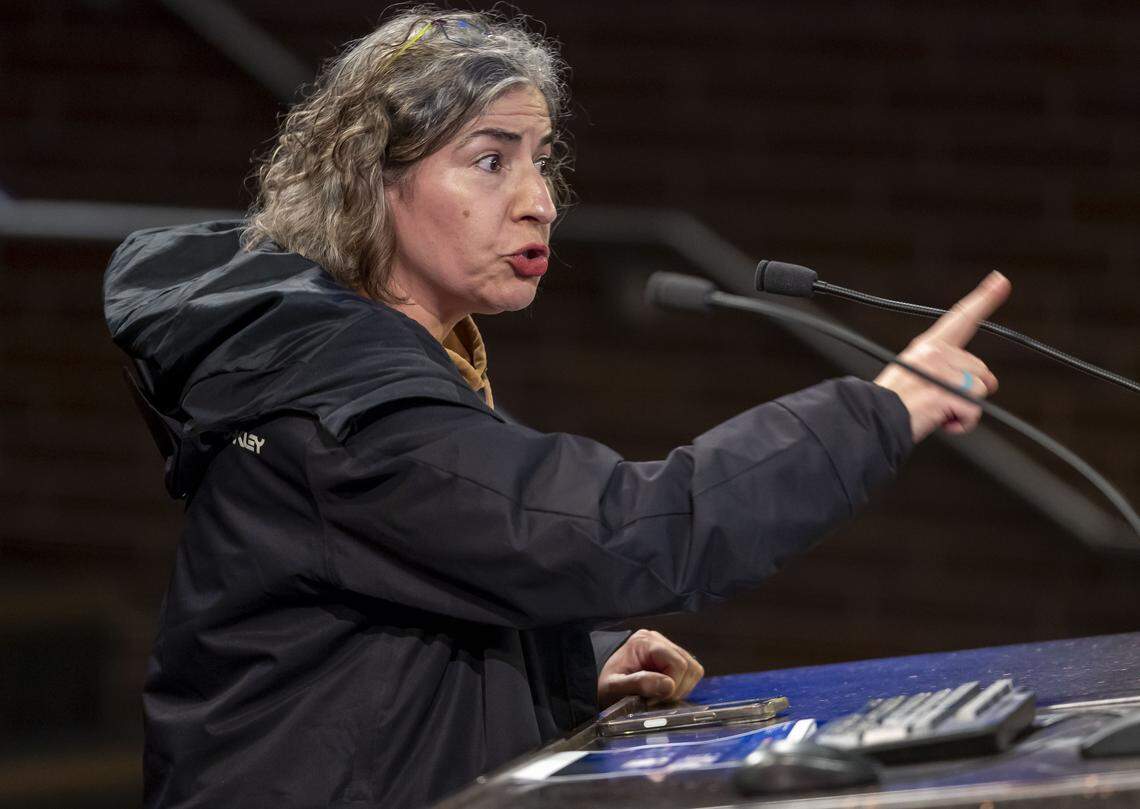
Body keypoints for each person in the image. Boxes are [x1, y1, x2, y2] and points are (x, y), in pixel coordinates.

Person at [103, 7, 1008, 809]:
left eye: (541, 162)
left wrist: (573, 666)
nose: (539, 202)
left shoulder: (369, 369)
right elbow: (634, 528)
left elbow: (394, 638)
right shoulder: (350, 411)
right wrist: (884, 408)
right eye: (489, 160)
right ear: (367, 183)